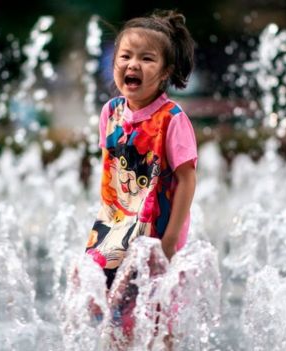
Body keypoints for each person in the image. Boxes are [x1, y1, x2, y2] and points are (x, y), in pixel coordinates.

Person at [85, 9, 197, 290]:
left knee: (151, 306)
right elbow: (109, 171)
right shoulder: (110, 112)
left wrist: (170, 239)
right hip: (115, 224)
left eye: (147, 58)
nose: (133, 64)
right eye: (126, 56)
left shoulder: (172, 119)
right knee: (97, 292)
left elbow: (187, 178)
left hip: (157, 227)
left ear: (165, 72)